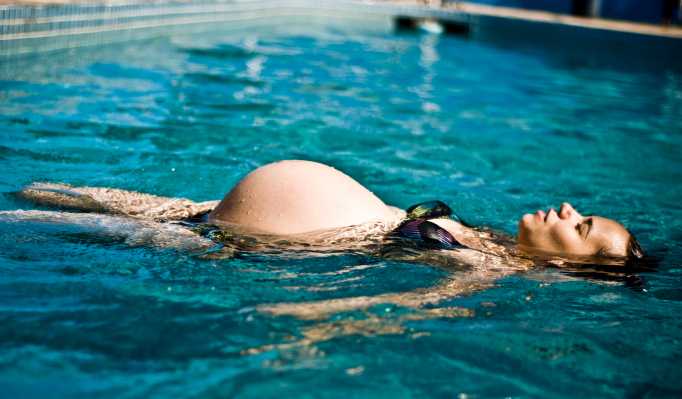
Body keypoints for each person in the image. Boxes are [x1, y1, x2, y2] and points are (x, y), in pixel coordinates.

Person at [10, 159, 643, 262]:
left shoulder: (486, 268)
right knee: (45, 188)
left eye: (581, 225)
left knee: (39, 221)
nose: (568, 208)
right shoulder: (488, 240)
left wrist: (321, 328)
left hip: (242, 240)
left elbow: (393, 310)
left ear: (571, 265)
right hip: (204, 209)